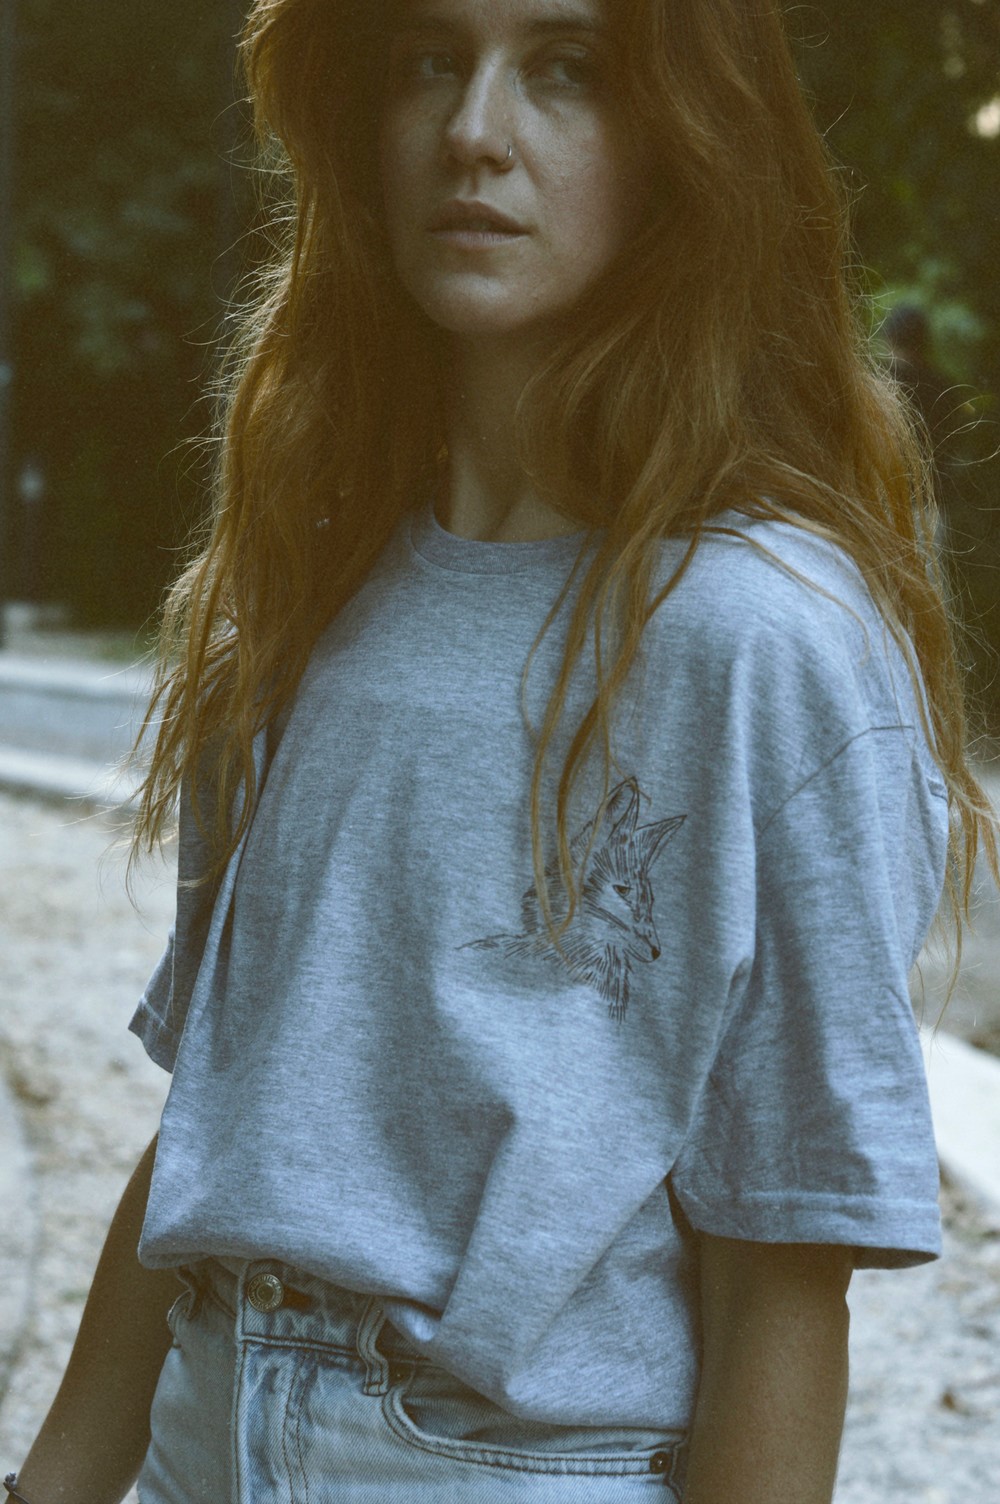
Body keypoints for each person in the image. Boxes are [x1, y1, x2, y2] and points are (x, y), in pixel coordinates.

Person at [8, 1, 997, 1501]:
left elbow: (783, 1274)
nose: (475, 133)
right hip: (197, 1428)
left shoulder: (759, 638)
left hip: (497, 1464)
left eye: (565, 71)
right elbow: (217, 1116)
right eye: (429, 62)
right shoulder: (305, 581)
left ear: (685, 141)